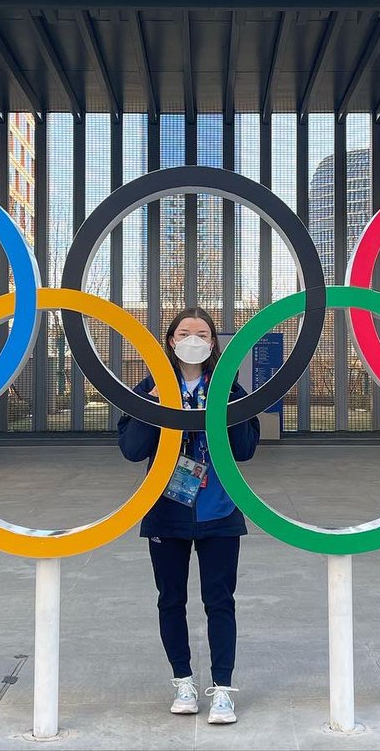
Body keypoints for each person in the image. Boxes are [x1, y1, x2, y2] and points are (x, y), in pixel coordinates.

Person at [118, 306, 261, 725]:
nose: (193, 339)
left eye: (202, 333)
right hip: (167, 510)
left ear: (214, 343)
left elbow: (245, 449)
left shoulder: (230, 388)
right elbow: (131, 449)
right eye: (185, 332)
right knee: (171, 600)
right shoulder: (148, 388)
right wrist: (159, 406)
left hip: (220, 509)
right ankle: (183, 679)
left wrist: (223, 405)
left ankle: (221, 688)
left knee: (220, 602)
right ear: (170, 340)